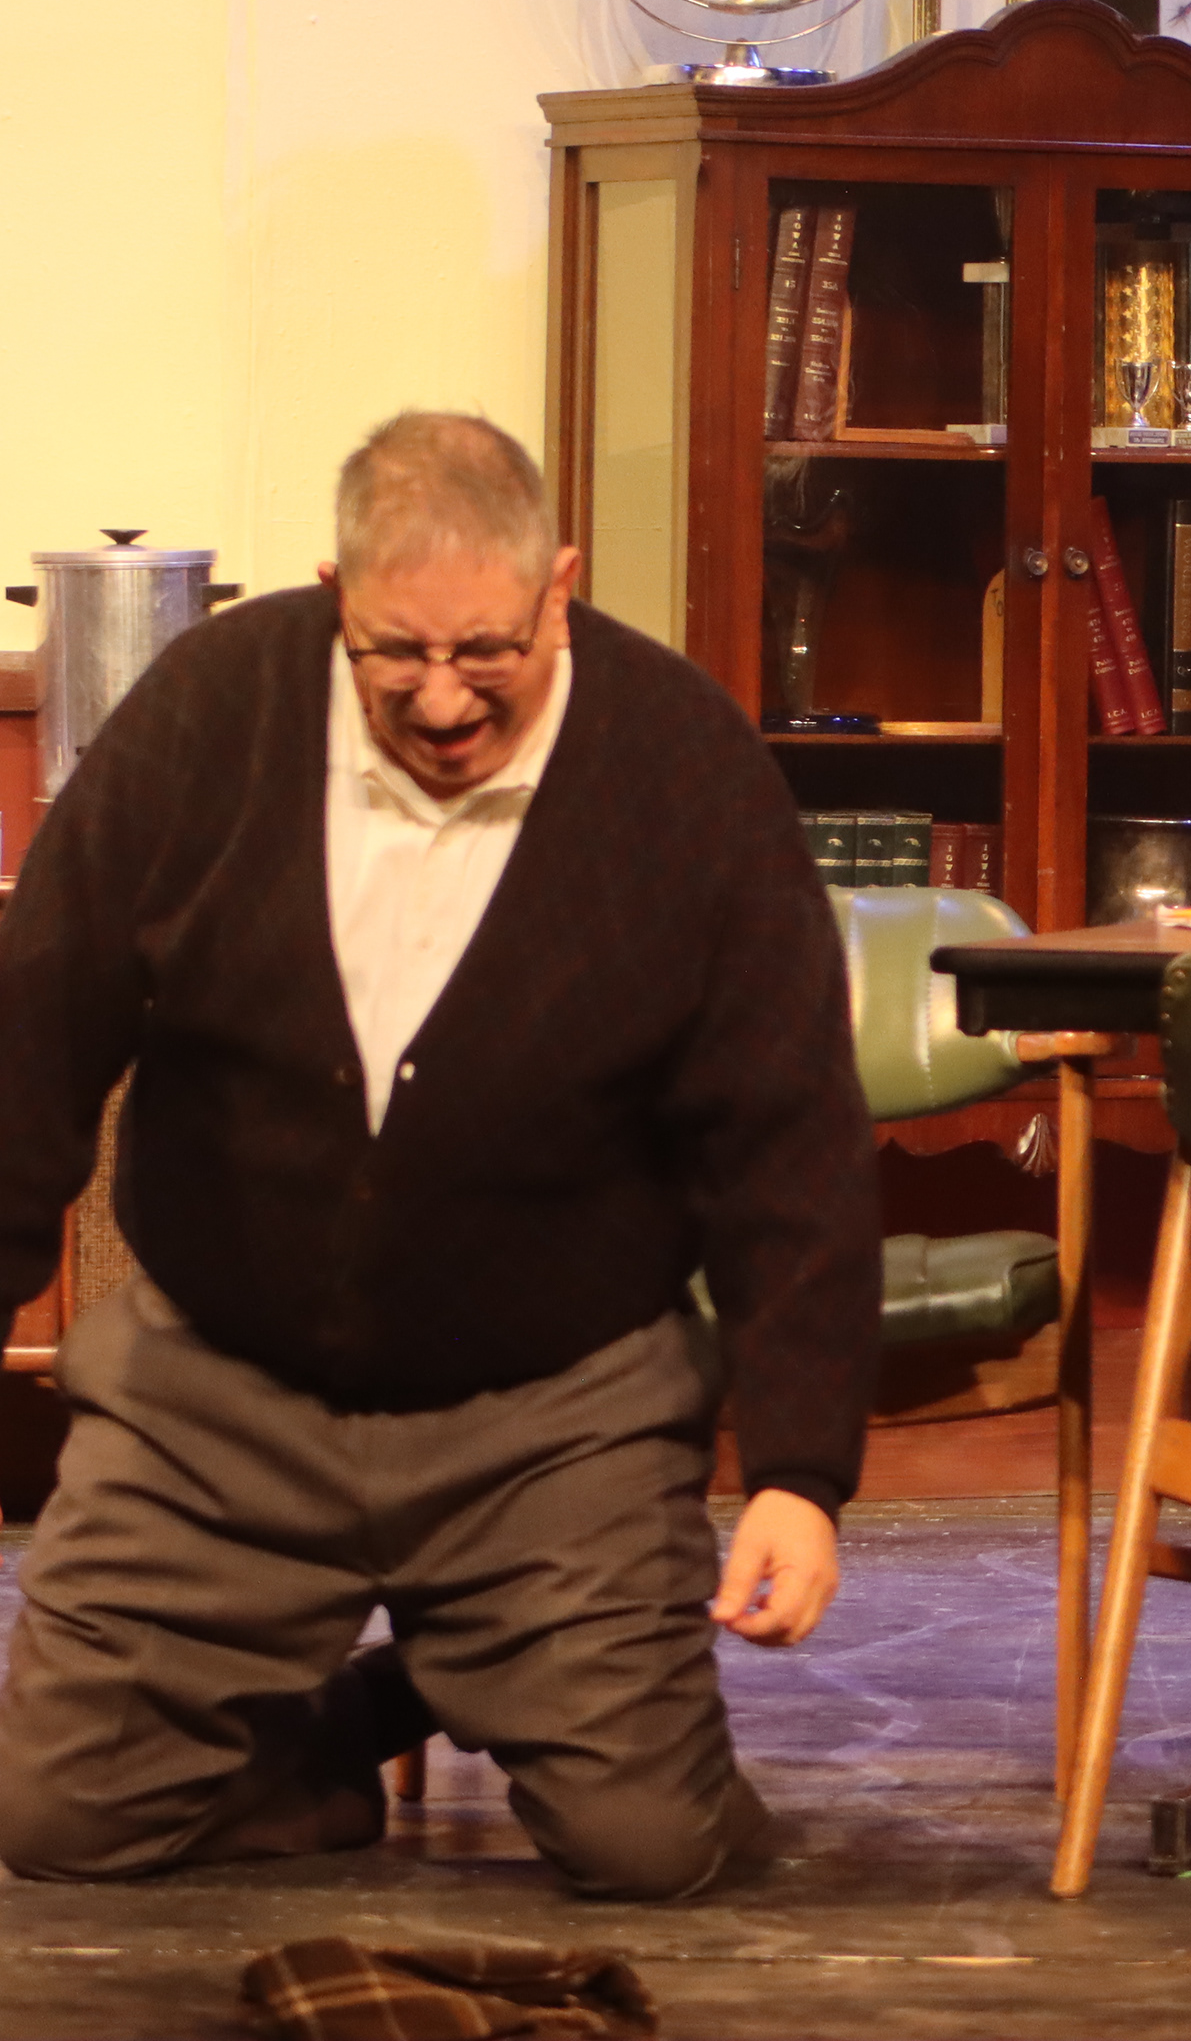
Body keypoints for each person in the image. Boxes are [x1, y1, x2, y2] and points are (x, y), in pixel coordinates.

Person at [0, 412, 878, 1900]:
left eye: (488, 651)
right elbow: (33, 1036)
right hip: (221, 1394)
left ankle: (489, 1661)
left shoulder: (684, 766)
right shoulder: (211, 710)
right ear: (333, 593)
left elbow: (787, 1138)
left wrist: (800, 1473)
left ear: (560, 590)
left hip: (554, 1414)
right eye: (396, 654)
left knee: (647, 1850)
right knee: (55, 1822)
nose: (446, 699)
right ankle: (340, 1734)